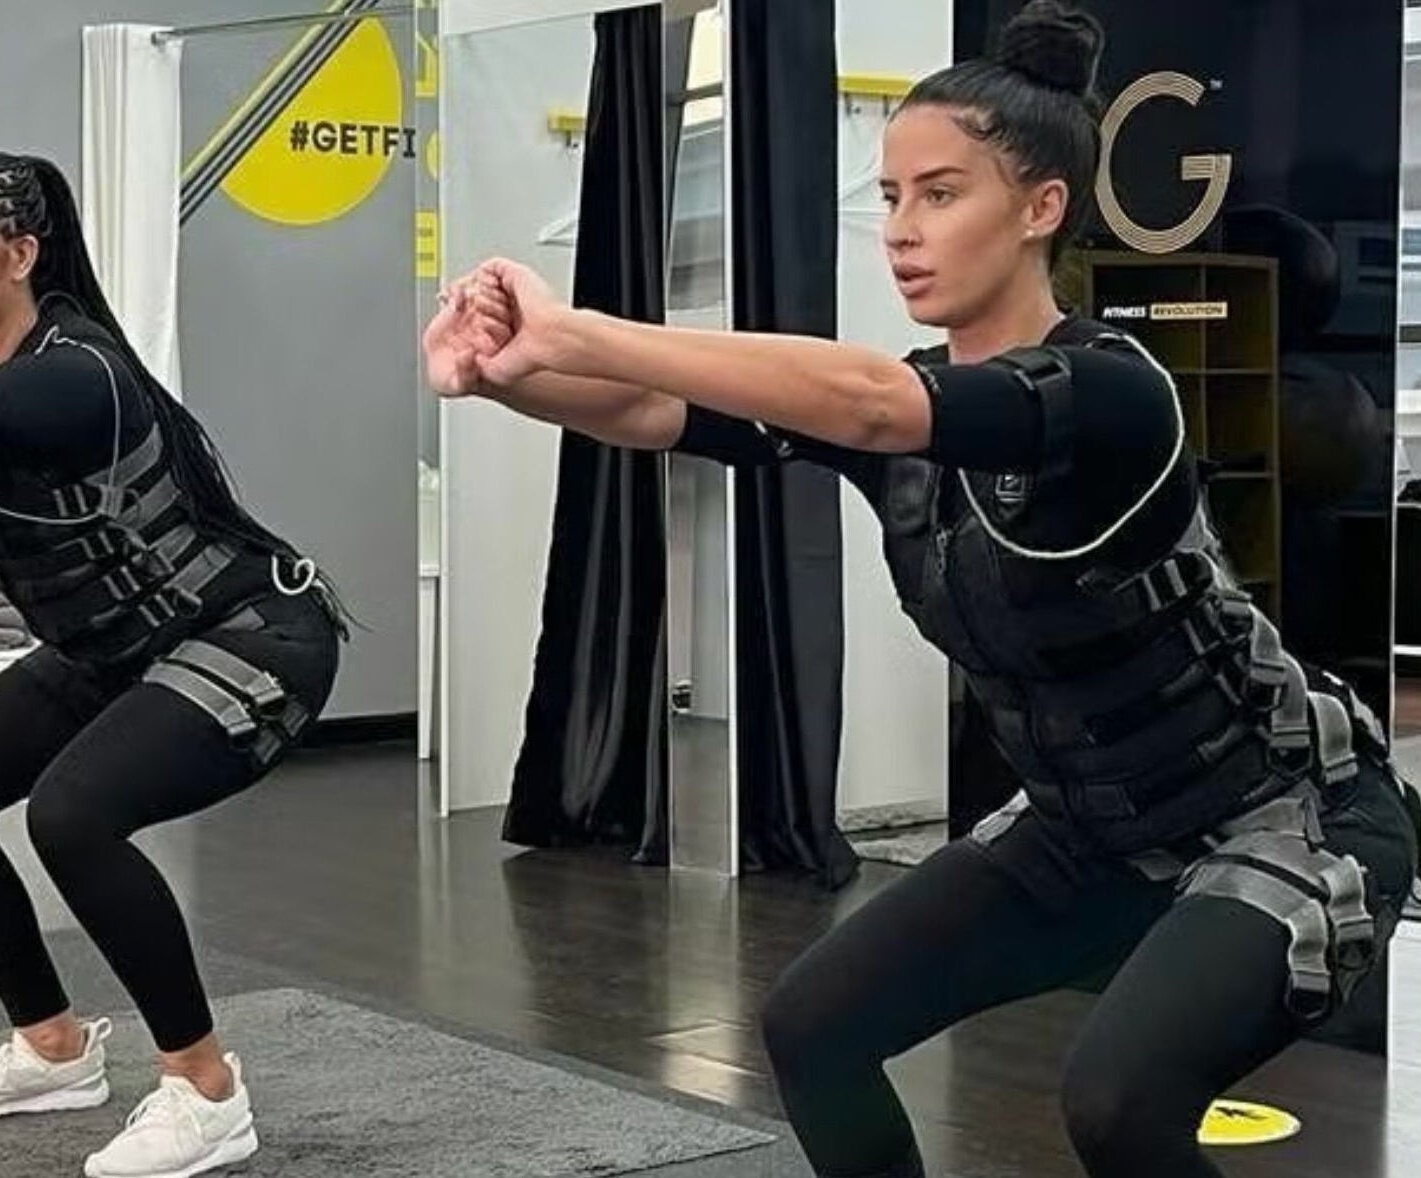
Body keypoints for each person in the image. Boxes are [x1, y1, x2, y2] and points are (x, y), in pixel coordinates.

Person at [421, 3, 1421, 1175]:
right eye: (892, 195)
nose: (901, 228)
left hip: (1289, 812)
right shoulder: (909, 404)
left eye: (940, 194)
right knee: (815, 1025)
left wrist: (582, 326)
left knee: (1120, 1099)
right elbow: (658, 412)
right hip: (1087, 827)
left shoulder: (1112, 392)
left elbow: (869, 407)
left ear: (1040, 208)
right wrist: (507, 373)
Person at [0, 148, 346, 1178]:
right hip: (112, 648)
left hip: (251, 635)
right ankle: (51, 1047)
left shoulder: (73, 373)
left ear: (22, 253)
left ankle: (206, 1090)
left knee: (75, 814)